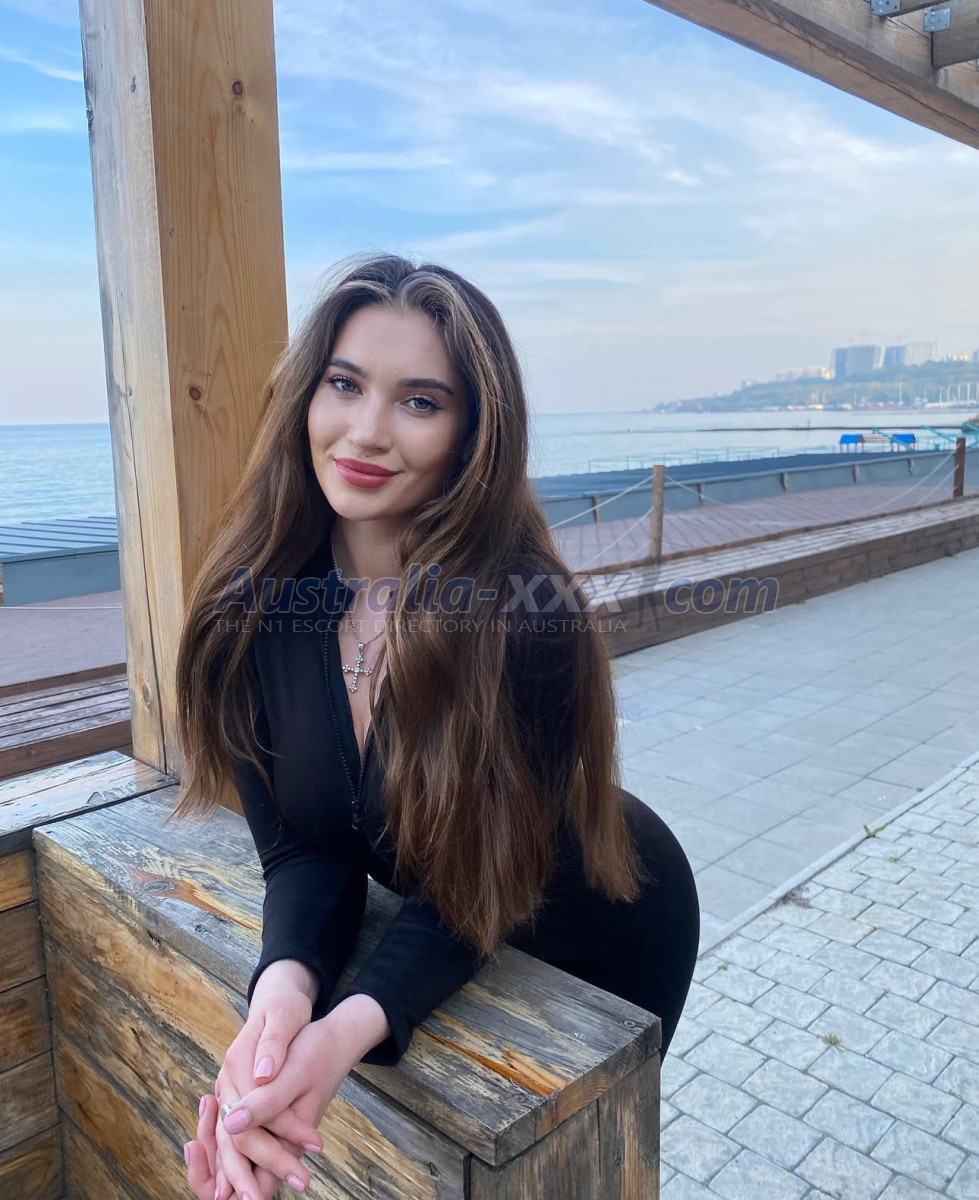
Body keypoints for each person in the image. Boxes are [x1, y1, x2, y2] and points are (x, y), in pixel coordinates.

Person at [171, 253, 700, 1200]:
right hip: (448, 902)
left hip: (591, 919)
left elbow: (480, 882)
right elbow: (303, 849)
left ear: (471, 434)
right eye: (344, 384)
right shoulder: (250, 613)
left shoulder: (522, 617)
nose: (366, 431)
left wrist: (346, 1030)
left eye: (419, 401)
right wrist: (281, 1004)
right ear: (305, 396)